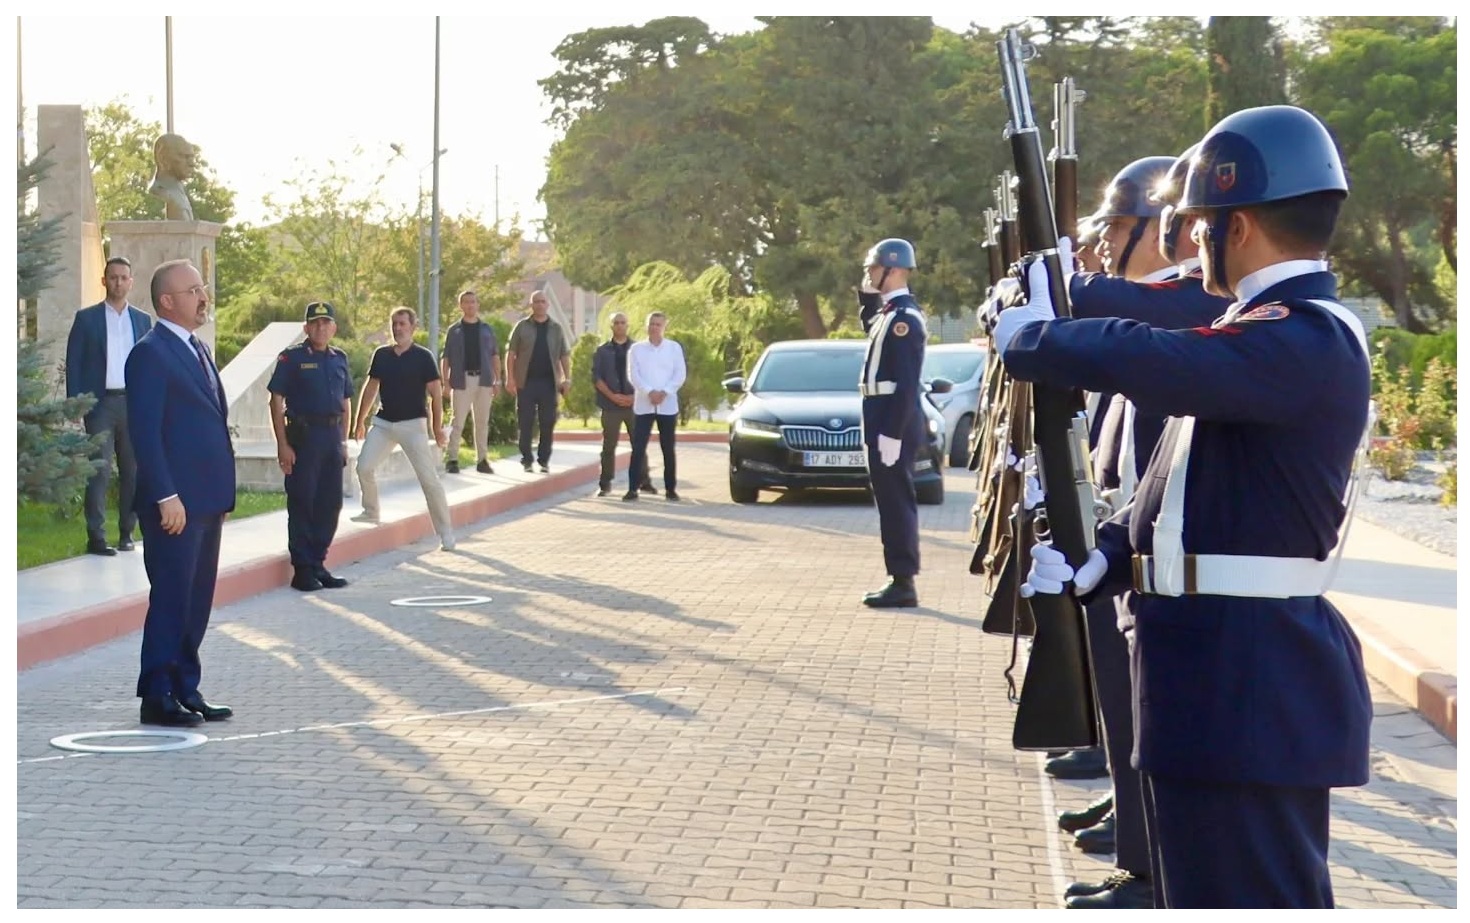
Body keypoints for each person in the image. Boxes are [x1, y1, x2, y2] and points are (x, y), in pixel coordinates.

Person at [998, 105, 1372, 909]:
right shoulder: (1259, 336)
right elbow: (1179, 475)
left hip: (1252, 686)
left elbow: (1157, 355)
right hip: (1213, 683)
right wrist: (1111, 550)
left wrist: (1039, 336)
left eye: (1199, 222)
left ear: (1235, 227)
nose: (1191, 240)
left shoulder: (1305, 337)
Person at [1049, 153, 1234, 909]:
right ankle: (1136, 841)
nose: (1102, 243)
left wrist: (1058, 283)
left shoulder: (1187, 305)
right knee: (1125, 704)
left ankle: (1150, 868)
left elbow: (1124, 318)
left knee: (1146, 711)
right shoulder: (1153, 303)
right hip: (1124, 528)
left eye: (1115, 228)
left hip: (1165, 552)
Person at [125, 258, 235, 727]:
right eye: (193, 290)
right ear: (167, 301)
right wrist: (165, 494)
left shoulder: (196, 348)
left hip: (206, 500)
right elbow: (144, 434)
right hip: (176, 505)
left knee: (197, 598)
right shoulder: (150, 353)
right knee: (172, 596)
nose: (203, 296)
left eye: (203, 288)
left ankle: (186, 687)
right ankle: (157, 695)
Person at [65, 256, 153, 556]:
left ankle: (127, 532)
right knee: (98, 471)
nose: (118, 282)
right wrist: (77, 405)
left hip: (133, 402)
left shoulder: (142, 321)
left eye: (123, 277)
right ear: (104, 281)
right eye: (112, 277)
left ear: (131, 281)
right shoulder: (86, 319)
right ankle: (97, 537)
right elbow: (75, 363)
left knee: (132, 470)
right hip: (100, 404)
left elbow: (150, 364)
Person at [857, 238, 927, 608]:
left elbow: (905, 383)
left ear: (894, 269)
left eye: (874, 268)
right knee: (889, 500)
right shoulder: (889, 314)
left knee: (897, 501)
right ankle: (898, 576)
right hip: (880, 418)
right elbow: (869, 323)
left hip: (891, 422)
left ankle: (903, 581)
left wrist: (892, 433)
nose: (869, 274)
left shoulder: (904, 320)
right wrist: (866, 294)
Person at [350, 307, 456, 551]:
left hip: (413, 426)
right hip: (384, 424)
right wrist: (360, 421)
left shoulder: (423, 357)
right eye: (394, 324)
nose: (398, 328)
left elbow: (436, 395)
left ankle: (446, 533)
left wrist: (437, 428)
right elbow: (370, 387)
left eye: (402, 324)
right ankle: (371, 511)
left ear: (413, 327)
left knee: (429, 481)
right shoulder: (382, 355)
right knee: (364, 467)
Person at [267, 301, 354, 592]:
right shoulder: (291, 359)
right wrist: (282, 445)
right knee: (303, 501)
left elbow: (345, 402)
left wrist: (344, 440)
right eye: (314, 323)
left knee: (330, 504)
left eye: (325, 323)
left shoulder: (339, 358)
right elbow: (276, 401)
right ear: (306, 328)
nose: (320, 328)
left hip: (331, 437)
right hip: (304, 438)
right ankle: (302, 569)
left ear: (334, 328)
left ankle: (318, 563)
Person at [504, 290, 571, 473]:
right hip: (526, 382)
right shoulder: (522, 326)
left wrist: (567, 378)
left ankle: (544, 460)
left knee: (547, 422)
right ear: (531, 305)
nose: (540, 305)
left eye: (543, 302)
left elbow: (564, 355)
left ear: (547, 304)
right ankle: (526, 459)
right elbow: (511, 354)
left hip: (549, 383)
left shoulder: (556, 328)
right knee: (525, 421)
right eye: (536, 302)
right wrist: (510, 378)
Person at [624, 312, 687, 502]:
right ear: (646, 326)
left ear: (664, 326)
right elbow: (633, 375)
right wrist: (649, 392)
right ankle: (633, 488)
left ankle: (670, 489)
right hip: (644, 405)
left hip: (667, 405)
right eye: (651, 324)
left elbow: (679, 374)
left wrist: (665, 392)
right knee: (638, 447)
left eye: (658, 324)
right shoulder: (636, 349)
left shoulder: (674, 348)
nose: (654, 327)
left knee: (668, 447)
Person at [592, 312, 654, 497]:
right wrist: (612, 396)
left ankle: (644, 481)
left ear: (628, 325)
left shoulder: (639, 349)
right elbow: (597, 378)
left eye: (623, 323)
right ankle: (605, 483)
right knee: (609, 445)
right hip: (611, 406)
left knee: (639, 444)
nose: (620, 326)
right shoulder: (602, 351)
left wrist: (635, 397)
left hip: (635, 405)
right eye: (616, 323)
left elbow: (647, 376)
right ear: (611, 326)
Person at [440, 289, 500, 474]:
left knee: (482, 422)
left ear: (477, 304)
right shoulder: (454, 330)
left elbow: (495, 355)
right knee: (457, 421)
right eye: (466, 302)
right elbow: (446, 357)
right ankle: (452, 459)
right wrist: (445, 381)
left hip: (484, 380)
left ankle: (482, 460)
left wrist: (497, 381)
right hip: (461, 380)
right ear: (461, 306)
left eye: (473, 302)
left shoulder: (486, 329)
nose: (470, 305)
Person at [148, 133, 200, 221]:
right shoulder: (163, 194)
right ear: (163, 159)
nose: (192, 163)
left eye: (192, 157)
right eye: (185, 157)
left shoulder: (179, 194)